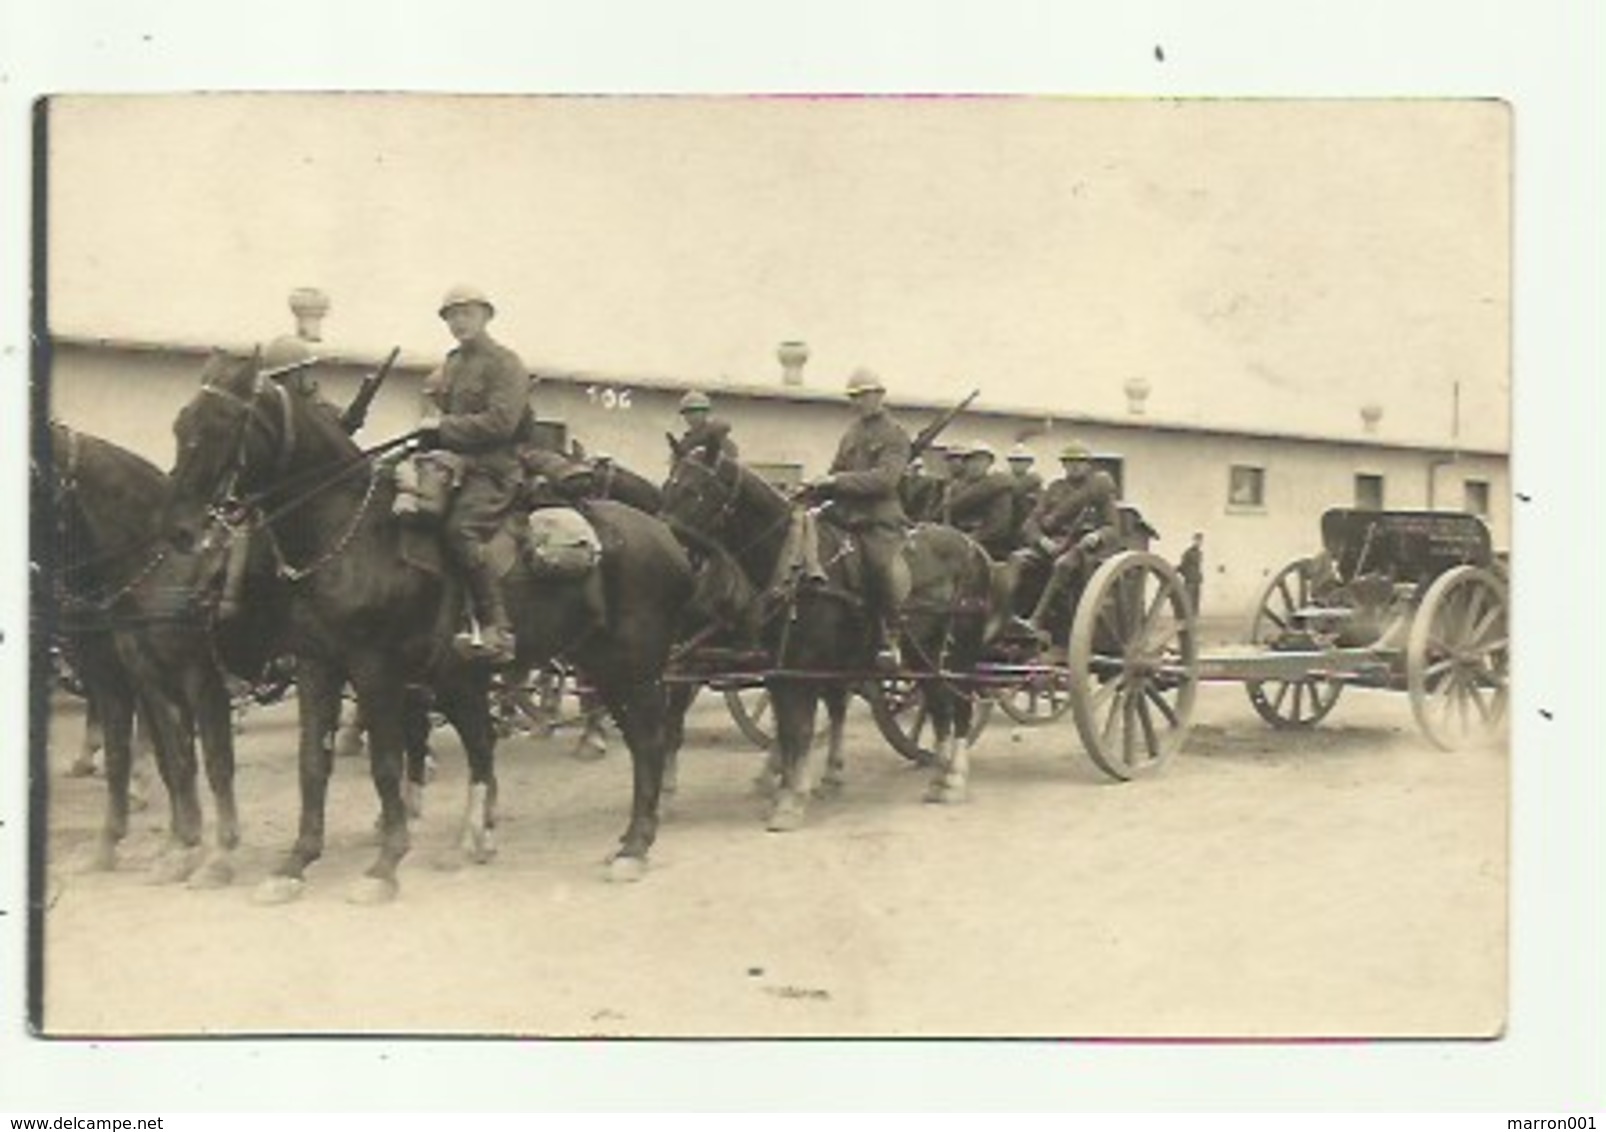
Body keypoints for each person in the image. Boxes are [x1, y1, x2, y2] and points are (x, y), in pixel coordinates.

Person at [413, 285, 535, 664]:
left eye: (466, 313)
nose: (458, 322)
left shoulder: (505, 362)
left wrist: (443, 427)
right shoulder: (450, 364)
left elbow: (502, 422)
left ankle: (497, 625)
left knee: (459, 530)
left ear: (485, 316)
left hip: (494, 471)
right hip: (451, 466)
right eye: (452, 316)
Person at [804, 367, 913, 668]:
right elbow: (835, 470)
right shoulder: (851, 434)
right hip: (844, 517)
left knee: (880, 566)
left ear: (880, 396)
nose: (859, 402)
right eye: (854, 397)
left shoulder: (895, 434)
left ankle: (890, 637)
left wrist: (836, 482)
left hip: (879, 520)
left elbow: (886, 480)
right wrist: (814, 489)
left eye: (865, 395)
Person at [1014, 439, 1121, 641]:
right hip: (1052, 544)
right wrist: (1041, 540)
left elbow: (1113, 528)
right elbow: (1031, 523)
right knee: (1017, 560)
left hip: (1084, 549)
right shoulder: (1055, 488)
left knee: (1063, 565)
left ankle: (1036, 619)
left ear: (1088, 465)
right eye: (1069, 462)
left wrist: (1096, 535)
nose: (1074, 466)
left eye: (1079, 462)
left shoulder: (1099, 491)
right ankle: (1009, 618)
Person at [944, 441, 1017, 560]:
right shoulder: (955, 487)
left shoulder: (999, 488)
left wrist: (972, 538)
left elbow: (998, 526)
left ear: (989, 464)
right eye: (972, 460)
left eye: (982, 461)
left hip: (989, 544)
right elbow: (946, 517)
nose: (976, 465)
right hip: (955, 539)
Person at [677, 389, 739, 458]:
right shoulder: (685, 442)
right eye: (686, 413)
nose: (690, 417)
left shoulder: (717, 434)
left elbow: (731, 459)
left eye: (695, 412)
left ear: (705, 412)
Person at [1006, 443, 1043, 545]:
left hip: (1026, 531)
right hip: (1006, 530)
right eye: (1014, 460)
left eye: (1022, 461)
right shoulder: (1004, 482)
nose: (1018, 464)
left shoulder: (1036, 485)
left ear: (1029, 463)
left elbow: (1040, 509)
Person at [1178, 531, 1205, 617]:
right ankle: (1186, 619)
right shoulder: (1188, 553)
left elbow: (1198, 567)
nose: (1198, 542)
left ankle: (1193, 620)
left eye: (1200, 541)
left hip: (1197, 580)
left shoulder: (1200, 553)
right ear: (1193, 541)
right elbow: (1183, 566)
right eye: (1197, 540)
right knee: (1188, 600)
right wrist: (1186, 575)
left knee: (1195, 602)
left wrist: (1199, 576)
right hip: (1189, 580)